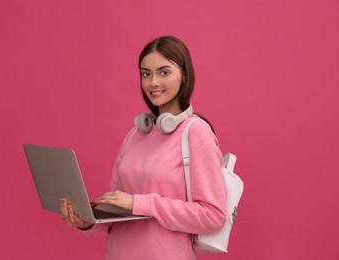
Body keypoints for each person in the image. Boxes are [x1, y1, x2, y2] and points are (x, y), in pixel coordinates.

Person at [59, 36, 227, 260]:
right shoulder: (136, 133)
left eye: (164, 72)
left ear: (184, 75)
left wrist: (141, 203)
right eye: (146, 73)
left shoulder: (196, 133)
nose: (153, 82)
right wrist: (87, 221)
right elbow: (116, 210)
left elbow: (212, 216)